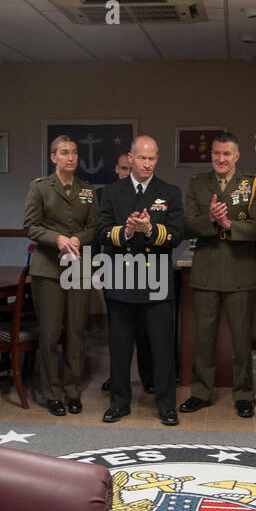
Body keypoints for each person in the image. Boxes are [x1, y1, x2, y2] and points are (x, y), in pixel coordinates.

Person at [180, 132, 256, 419]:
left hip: (240, 272)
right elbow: (186, 226)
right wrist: (209, 220)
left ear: (237, 156)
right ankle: (200, 393)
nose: (220, 159)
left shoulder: (252, 184)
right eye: (216, 154)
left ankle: (244, 394)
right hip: (206, 271)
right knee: (204, 338)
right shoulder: (198, 184)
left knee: (242, 339)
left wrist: (228, 224)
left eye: (226, 154)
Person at [98, 135, 185, 425]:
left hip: (157, 280)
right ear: (131, 158)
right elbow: (101, 232)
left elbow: (176, 234)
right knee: (120, 348)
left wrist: (149, 229)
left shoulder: (169, 192)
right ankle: (119, 403)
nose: (147, 163)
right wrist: (125, 231)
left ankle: (166, 405)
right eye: (142, 158)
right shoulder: (111, 192)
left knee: (162, 349)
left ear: (156, 159)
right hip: (121, 278)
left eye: (152, 158)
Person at [24, 135, 99, 415]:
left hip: (78, 266)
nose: (71, 157)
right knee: (50, 333)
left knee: (76, 331)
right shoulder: (40, 188)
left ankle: (72, 390)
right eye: (65, 153)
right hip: (48, 269)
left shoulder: (88, 191)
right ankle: (52, 392)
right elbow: (30, 226)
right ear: (53, 157)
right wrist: (56, 239)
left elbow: (95, 226)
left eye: (75, 152)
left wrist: (77, 239)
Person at [101, 151, 154, 394]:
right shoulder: (108, 194)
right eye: (122, 168)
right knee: (119, 335)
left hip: (147, 271)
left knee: (145, 331)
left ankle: (148, 378)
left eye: (128, 168)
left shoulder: (148, 192)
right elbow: (99, 232)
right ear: (117, 169)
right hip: (116, 270)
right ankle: (117, 380)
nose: (126, 171)